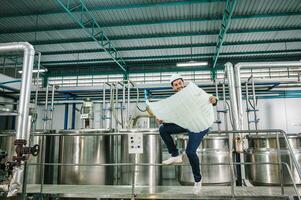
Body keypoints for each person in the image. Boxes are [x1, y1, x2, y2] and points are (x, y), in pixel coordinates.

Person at [157, 74, 217, 193]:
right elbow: (172, 115)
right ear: (172, 87)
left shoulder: (193, 91)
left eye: (180, 83)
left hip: (200, 125)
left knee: (190, 151)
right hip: (188, 123)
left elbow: (210, 97)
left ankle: (198, 181)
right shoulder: (175, 100)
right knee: (163, 129)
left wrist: (214, 99)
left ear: (183, 83)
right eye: (175, 85)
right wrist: (161, 119)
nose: (178, 86)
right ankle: (175, 155)